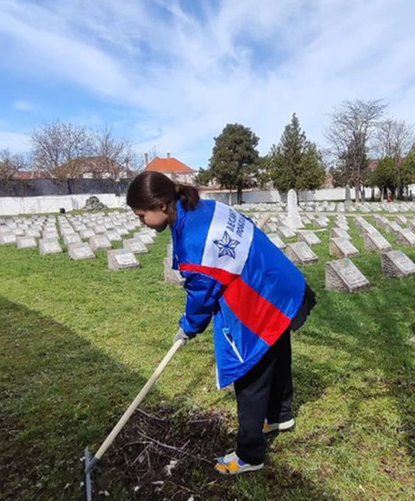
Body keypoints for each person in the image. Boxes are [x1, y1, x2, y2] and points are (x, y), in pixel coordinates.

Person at [126, 171, 316, 476]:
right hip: (278, 281)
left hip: (260, 296)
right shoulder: (203, 206)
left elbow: (202, 295)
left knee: (250, 375)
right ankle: (280, 415)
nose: (141, 222)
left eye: (141, 215)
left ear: (161, 205)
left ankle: (250, 454)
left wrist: (188, 326)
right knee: (277, 351)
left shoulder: (193, 241)